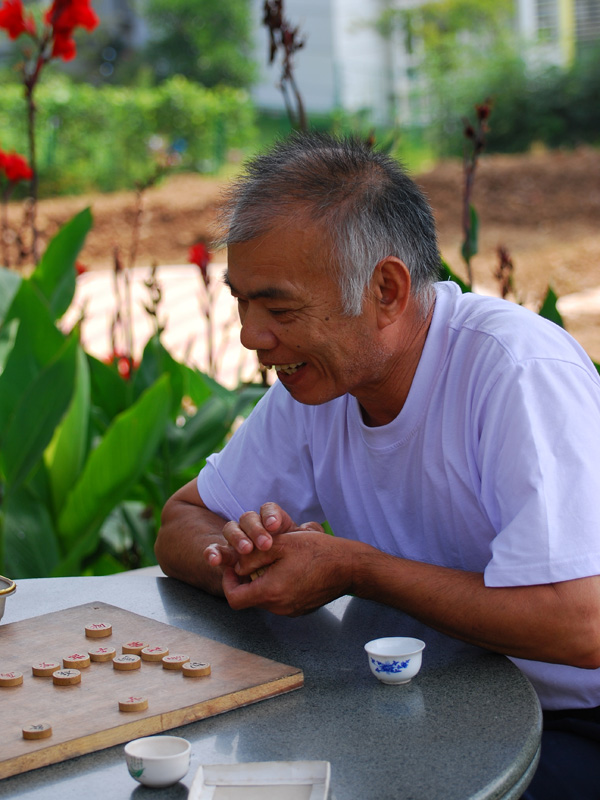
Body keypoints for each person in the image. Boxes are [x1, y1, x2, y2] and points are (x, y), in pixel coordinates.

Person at [155, 132, 600, 798]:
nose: (252, 336)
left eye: (279, 308)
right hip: (427, 699)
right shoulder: (319, 384)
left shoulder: (513, 371)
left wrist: (355, 569)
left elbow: (581, 625)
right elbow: (184, 520)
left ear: (386, 289)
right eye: (242, 302)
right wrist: (246, 559)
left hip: (574, 719)